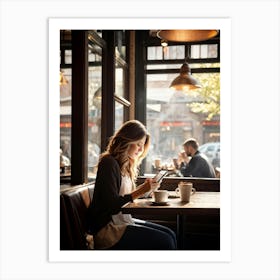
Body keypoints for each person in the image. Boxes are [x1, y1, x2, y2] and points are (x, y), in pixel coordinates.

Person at [87, 120, 177, 250]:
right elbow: (111, 205)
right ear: (126, 141)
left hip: (122, 221)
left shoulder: (126, 165)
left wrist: (147, 191)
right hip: (108, 230)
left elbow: (126, 198)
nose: (141, 149)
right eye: (138, 144)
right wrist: (140, 191)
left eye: (143, 145)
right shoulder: (108, 163)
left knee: (170, 234)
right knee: (166, 241)